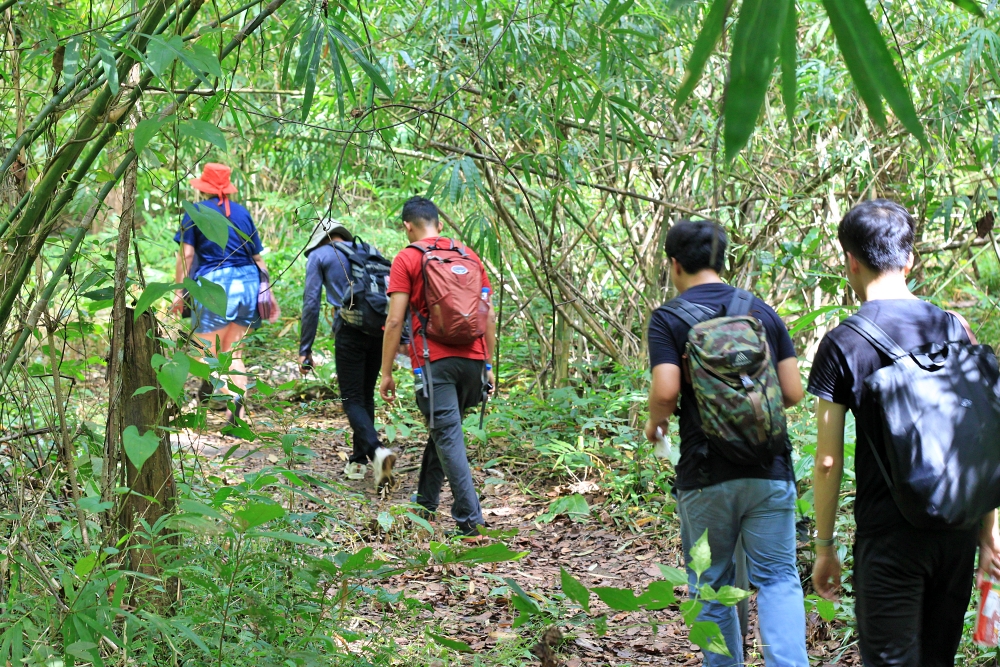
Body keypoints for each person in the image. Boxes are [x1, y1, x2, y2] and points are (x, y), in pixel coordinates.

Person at [808, 199, 1000, 667]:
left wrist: (826, 547)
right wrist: (990, 535)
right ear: (909, 259)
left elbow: (827, 461)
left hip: (890, 537)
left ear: (850, 261)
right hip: (955, 531)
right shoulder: (957, 327)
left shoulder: (842, 343)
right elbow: (985, 435)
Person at [645, 219, 807, 666]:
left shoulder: (669, 318)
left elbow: (665, 390)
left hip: (706, 472)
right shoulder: (761, 311)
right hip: (769, 467)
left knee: (711, 583)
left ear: (674, 265)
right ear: (723, 260)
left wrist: (655, 424)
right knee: (777, 579)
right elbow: (792, 391)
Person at [379, 196, 495, 538]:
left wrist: (386, 372)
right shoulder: (469, 256)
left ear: (407, 227)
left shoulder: (408, 258)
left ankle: (470, 521)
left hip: (435, 364)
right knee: (444, 430)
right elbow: (488, 315)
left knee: (447, 433)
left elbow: (396, 319)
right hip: (473, 360)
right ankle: (425, 505)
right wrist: (488, 364)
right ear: (439, 224)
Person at [170, 163, 274, 424]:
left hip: (216, 286)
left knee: (207, 353)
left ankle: (230, 398)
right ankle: (234, 409)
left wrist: (179, 291)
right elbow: (258, 258)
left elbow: (187, 254)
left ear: (204, 187)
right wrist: (268, 295)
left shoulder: (195, 211)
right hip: (248, 283)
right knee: (233, 352)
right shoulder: (242, 213)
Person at [299, 218, 397, 489]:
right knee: (365, 395)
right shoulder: (368, 251)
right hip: (379, 329)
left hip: (349, 330)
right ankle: (358, 460)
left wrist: (304, 348)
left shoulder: (319, 255)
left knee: (351, 398)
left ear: (319, 239)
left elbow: (310, 304)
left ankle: (377, 452)